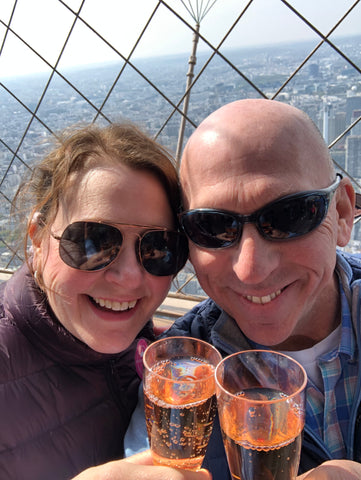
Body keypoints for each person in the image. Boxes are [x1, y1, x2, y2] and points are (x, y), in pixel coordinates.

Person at [122, 98, 361, 480]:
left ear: (343, 214)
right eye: (214, 228)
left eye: (289, 216)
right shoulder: (176, 377)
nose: (251, 270)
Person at [0, 122, 189, 480]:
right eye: (93, 242)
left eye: (157, 247)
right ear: (38, 237)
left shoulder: (165, 352)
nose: (130, 276)